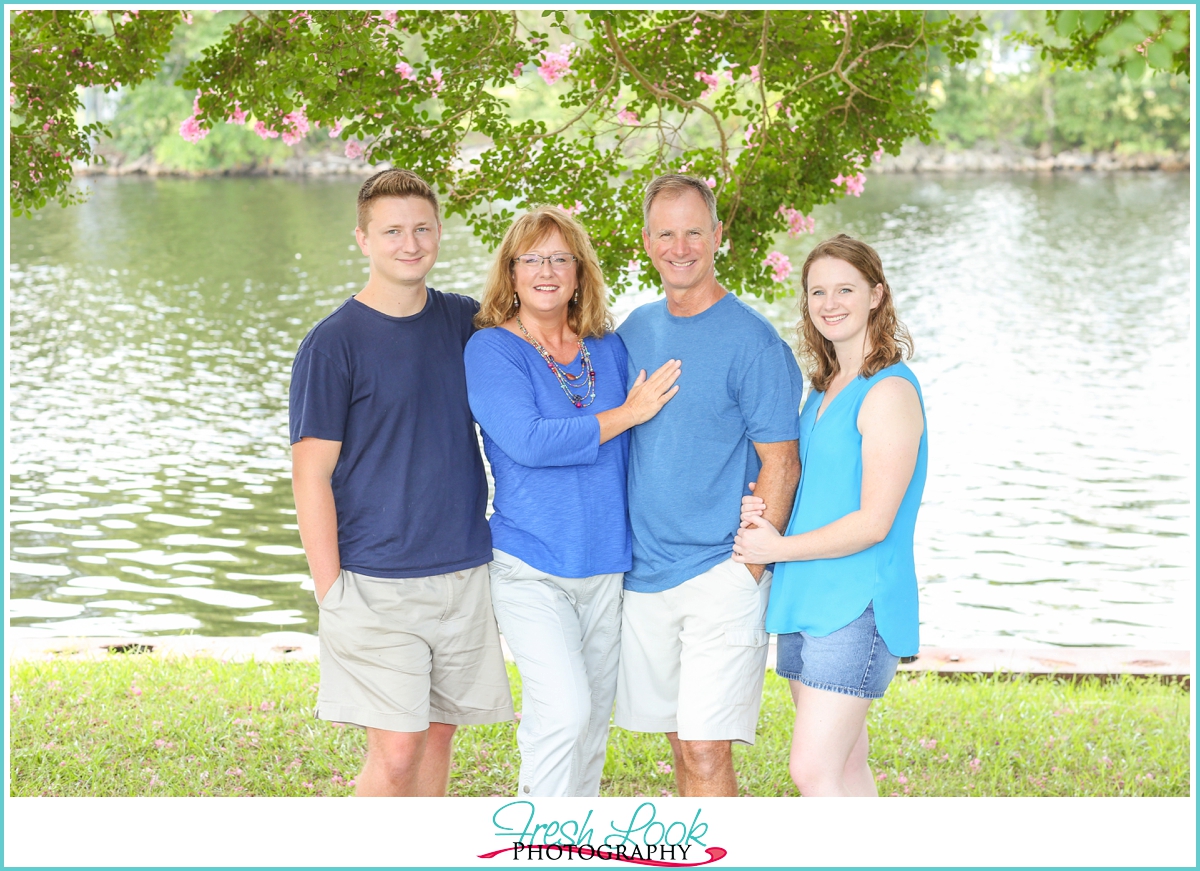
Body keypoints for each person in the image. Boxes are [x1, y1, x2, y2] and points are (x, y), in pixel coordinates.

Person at [289, 168, 513, 797]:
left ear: (439, 233)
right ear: (363, 238)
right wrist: (330, 591)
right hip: (374, 581)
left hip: (463, 571)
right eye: (392, 231)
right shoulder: (332, 345)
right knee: (395, 751)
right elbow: (311, 477)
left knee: (439, 733)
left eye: (421, 228)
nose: (409, 243)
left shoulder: (467, 323)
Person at [464, 206, 680, 797]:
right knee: (561, 712)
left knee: (588, 730)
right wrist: (628, 414)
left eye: (560, 258)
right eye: (530, 258)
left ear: (580, 273)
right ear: (509, 275)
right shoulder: (492, 351)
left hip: (607, 565)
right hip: (530, 565)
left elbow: (650, 441)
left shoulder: (607, 350)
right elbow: (530, 442)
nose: (546, 270)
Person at [614, 175, 804, 797]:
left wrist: (747, 566)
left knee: (703, 748)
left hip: (719, 572)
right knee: (678, 739)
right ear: (646, 242)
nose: (681, 246)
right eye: (666, 232)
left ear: (718, 235)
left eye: (695, 230)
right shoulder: (633, 331)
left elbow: (782, 461)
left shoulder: (753, 342)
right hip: (644, 575)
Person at [733, 233, 927, 797]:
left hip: (856, 604)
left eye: (845, 288)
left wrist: (777, 550)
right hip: (807, 596)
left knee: (812, 770)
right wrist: (765, 516)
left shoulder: (889, 392)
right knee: (843, 768)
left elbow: (874, 521)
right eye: (817, 291)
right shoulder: (822, 389)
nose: (830, 303)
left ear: (876, 295)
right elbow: (819, 492)